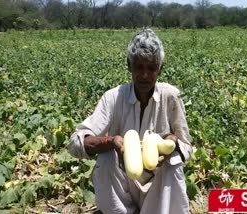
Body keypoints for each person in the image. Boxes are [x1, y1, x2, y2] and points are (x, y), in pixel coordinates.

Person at [68, 28, 193, 214]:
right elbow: (75, 143)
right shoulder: (112, 98)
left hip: (158, 187)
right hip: (123, 185)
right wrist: (111, 141)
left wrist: (171, 143)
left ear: (160, 69)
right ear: (129, 66)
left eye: (151, 68)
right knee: (107, 157)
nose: (144, 75)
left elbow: (186, 147)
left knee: (173, 161)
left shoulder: (171, 97)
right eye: (138, 67)